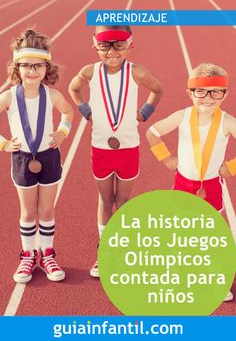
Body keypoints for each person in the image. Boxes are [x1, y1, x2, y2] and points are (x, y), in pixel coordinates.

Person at [69, 25, 163, 277]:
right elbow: (73, 88)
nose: (112, 51)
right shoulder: (90, 71)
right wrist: (84, 109)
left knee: (122, 202)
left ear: (130, 45)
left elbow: (158, 89)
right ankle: (105, 251)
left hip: (128, 148)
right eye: (105, 46)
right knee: (105, 200)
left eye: (119, 45)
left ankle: (119, 247)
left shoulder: (137, 72)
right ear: (95, 46)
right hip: (100, 148)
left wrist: (145, 112)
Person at [146, 63, 235, 302]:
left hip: (212, 185)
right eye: (201, 92)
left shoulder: (227, 121)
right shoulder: (182, 116)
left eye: (216, 92)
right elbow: (152, 133)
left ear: (224, 94)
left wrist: (231, 166)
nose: (208, 98)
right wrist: (165, 158)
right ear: (190, 93)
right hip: (184, 183)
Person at [0, 29, 73, 283]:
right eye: (26, 65)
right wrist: (3, 143)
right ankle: (28, 255)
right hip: (22, 159)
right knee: (28, 212)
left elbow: (67, 113)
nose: (32, 71)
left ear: (47, 68)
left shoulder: (52, 95)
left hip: (49, 157)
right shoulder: (9, 96)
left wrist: (63, 133)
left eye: (38, 66)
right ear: (17, 67)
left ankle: (48, 254)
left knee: (47, 210)